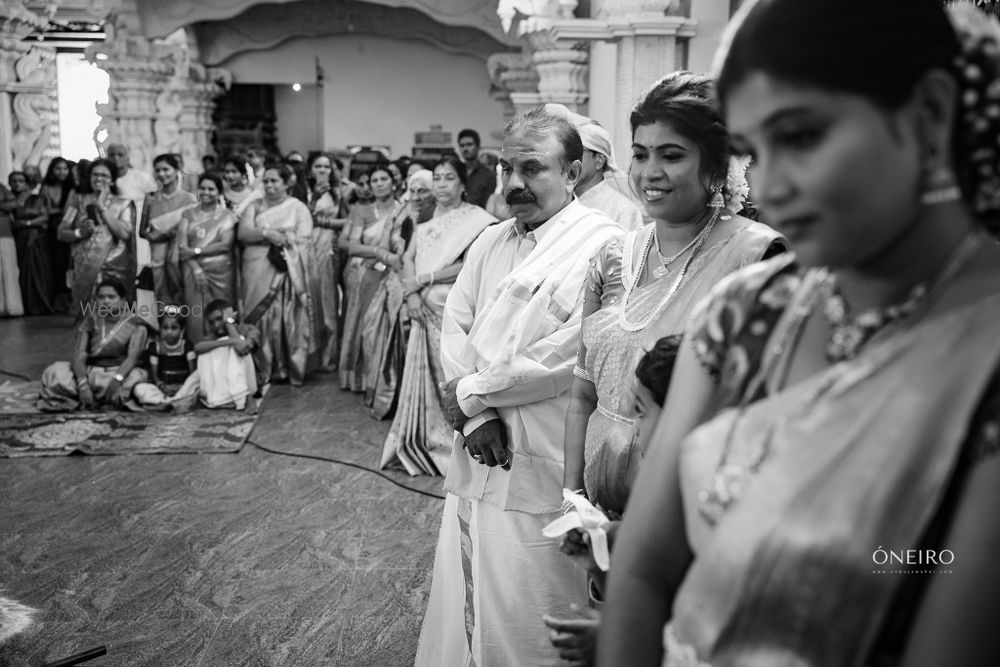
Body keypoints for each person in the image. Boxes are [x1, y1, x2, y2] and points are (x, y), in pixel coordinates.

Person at [598, 2, 1000, 665]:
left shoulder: (983, 349)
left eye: (803, 137)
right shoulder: (749, 315)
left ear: (928, 115)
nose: (770, 187)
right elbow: (642, 571)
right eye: (753, 151)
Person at [415, 107, 622, 666]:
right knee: (480, 594)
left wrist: (472, 394)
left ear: (574, 173)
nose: (513, 184)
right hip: (482, 445)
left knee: (542, 606)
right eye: (507, 168)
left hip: (545, 458)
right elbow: (455, 321)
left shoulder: (604, 244)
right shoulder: (491, 241)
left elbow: (570, 352)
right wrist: (476, 414)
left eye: (532, 169)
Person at [563, 72, 786, 521]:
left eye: (672, 155)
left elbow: (764, 413)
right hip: (596, 505)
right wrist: (571, 500)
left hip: (689, 509)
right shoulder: (612, 256)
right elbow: (583, 395)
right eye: (641, 154)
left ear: (717, 164)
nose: (649, 173)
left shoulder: (757, 254)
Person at [545, 335, 681, 667]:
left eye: (641, 413)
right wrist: (599, 566)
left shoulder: (688, 506)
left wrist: (614, 639)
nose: (633, 430)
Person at [379, 158, 495, 473]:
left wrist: (424, 281)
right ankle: (425, 439)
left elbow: (470, 264)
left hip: (452, 308)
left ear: (462, 184)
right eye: (438, 178)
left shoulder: (478, 220)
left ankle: (459, 442)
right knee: (424, 375)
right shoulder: (425, 215)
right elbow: (408, 258)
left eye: (448, 178)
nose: (442, 184)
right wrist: (412, 294)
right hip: (421, 306)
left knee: (451, 373)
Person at [360, 168, 437, 418]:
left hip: (422, 287)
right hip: (392, 285)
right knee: (378, 335)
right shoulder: (399, 211)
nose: (416, 196)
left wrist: (409, 266)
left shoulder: (438, 215)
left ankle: (415, 406)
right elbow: (379, 249)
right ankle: (391, 400)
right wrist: (394, 258)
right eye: (412, 190)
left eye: (423, 191)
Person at [238, 163, 315, 386]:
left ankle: (284, 366)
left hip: (286, 270)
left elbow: (305, 240)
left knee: (283, 316)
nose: (269, 185)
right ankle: (261, 365)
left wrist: (285, 240)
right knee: (258, 315)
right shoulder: (255, 205)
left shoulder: (297, 207)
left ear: (286, 183)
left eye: (275, 181)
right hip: (256, 269)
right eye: (266, 181)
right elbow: (243, 234)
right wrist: (268, 234)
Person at [37, 279, 149, 411]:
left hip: (120, 373)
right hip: (91, 373)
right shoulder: (91, 320)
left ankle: (88, 399)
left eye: (111, 297)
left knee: (138, 379)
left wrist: (117, 380)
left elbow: (132, 358)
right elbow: (79, 354)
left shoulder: (135, 324)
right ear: (96, 300)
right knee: (55, 372)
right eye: (101, 297)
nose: (106, 301)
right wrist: (83, 384)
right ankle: (102, 398)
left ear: (123, 300)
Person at [338, 165, 401, 391]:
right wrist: (377, 252)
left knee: (388, 324)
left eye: (384, 178)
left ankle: (387, 379)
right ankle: (362, 378)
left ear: (394, 182)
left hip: (394, 273)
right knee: (364, 323)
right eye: (374, 180)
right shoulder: (362, 211)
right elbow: (350, 246)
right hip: (366, 273)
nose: (379, 183)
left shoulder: (403, 210)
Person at [58, 159, 137, 316]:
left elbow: (124, 233)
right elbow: (61, 233)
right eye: (95, 174)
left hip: (115, 265)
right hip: (85, 265)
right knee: (87, 315)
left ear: (112, 179)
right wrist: (80, 233)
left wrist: (102, 207)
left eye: (104, 175)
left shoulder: (124, 203)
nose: (99, 179)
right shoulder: (78, 200)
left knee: (115, 311)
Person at [178, 173, 236, 342]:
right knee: (196, 314)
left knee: (222, 312)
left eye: (211, 189)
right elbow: (182, 248)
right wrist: (196, 270)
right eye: (202, 188)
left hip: (221, 273)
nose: (206, 192)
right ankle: (199, 356)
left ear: (219, 192)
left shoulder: (227, 215)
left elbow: (226, 244)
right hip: (193, 271)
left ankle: (226, 351)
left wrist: (196, 251)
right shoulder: (187, 214)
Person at [305, 152, 349, 371]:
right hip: (304, 247)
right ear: (310, 169)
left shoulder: (337, 193)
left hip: (327, 247)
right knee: (306, 299)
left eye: (326, 167)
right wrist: (313, 198)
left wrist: (326, 222)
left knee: (327, 300)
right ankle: (306, 355)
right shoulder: (300, 190)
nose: (322, 171)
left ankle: (328, 357)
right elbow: (299, 217)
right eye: (318, 166)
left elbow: (349, 221)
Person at [139, 153, 198, 305]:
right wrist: (151, 236)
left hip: (179, 258)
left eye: (166, 169)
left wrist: (167, 234)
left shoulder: (189, 199)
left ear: (177, 169)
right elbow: (142, 230)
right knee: (161, 295)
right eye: (158, 170)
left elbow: (192, 230)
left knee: (181, 295)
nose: (161, 174)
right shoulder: (151, 198)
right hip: (157, 259)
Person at [574, 118, 645, 231]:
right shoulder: (559, 202)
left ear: (599, 161)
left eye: (578, 152)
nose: (571, 160)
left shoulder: (623, 210)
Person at [192, 299, 264, 411]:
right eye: (211, 322)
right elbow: (197, 348)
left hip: (249, 385)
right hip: (224, 389)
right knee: (208, 348)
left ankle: (246, 396)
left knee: (239, 340)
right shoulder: (212, 336)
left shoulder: (249, 329)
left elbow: (242, 350)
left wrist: (229, 323)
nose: (216, 325)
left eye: (219, 319)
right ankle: (212, 396)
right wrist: (228, 342)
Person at [131, 306, 198, 411]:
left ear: (182, 330)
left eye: (174, 328)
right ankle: (172, 403)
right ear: (160, 328)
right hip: (163, 390)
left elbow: (193, 374)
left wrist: (180, 387)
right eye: (165, 328)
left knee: (197, 380)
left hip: (183, 388)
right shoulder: (155, 347)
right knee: (139, 389)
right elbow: (154, 375)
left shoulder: (187, 346)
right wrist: (161, 386)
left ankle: (167, 404)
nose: (169, 332)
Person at [9, 171, 53, 315]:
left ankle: (37, 305)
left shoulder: (37, 198)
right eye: (14, 181)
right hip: (16, 239)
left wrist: (28, 223)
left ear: (26, 183)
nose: (17, 184)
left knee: (35, 271)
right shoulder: (9, 200)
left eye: (21, 180)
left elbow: (44, 217)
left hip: (35, 239)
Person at [106, 142, 157, 266]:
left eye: (120, 154)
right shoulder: (104, 179)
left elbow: (154, 205)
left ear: (128, 157)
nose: (116, 158)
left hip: (138, 234)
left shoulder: (142, 178)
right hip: (111, 233)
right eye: (112, 155)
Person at [40, 157, 76, 311]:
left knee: (71, 264)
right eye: (58, 168)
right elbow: (43, 208)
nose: (62, 172)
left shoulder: (73, 189)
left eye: (65, 168)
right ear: (52, 170)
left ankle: (72, 298)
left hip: (71, 229)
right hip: (53, 229)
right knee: (57, 265)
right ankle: (58, 300)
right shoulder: (46, 187)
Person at [0, 181, 24, 317]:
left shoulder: (1, 188)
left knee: (8, 269)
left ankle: (11, 306)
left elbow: (15, 204)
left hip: (4, 233)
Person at [457, 128, 497, 208]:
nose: (465, 149)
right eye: (462, 145)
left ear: (478, 147)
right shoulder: (455, 171)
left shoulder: (489, 176)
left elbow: (487, 205)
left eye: (469, 144)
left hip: (477, 217)